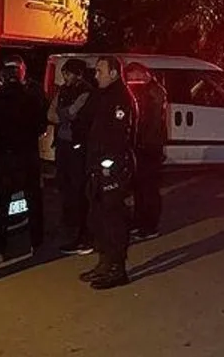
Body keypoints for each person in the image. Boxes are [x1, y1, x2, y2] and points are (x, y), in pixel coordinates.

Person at [0, 55, 49, 262]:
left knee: (2, 204)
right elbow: (42, 127)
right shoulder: (33, 98)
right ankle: (37, 244)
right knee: (34, 201)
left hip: (6, 156)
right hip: (28, 156)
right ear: (21, 73)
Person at [80, 56, 137, 290]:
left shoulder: (120, 98)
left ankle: (117, 269)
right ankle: (104, 263)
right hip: (97, 166)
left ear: (113, 73)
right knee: (99, 217)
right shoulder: (101, 95)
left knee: (114, 218)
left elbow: (119, 136)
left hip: (112, 168)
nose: (96, 75)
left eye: (100, 71)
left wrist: (108, 165)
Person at [52, 58, 96, 256]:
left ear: (78, 74)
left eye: (67, 73)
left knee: (79, 188)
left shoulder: (86, 91)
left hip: (77, 145)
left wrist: (63, 113)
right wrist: (63, 113)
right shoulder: (63, 90)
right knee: (65, 185)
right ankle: (70, 224)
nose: (65, 77)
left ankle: (83, 232)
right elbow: (51, 114)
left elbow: (70, 113)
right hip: (63, 143)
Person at [125, 62, 167, 241]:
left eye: (134, 77)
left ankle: (149, 226)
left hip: (150, 145)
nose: (131, 81)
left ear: (143, 74)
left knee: (148, 187)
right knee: (140, 186)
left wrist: (143, 140)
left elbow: (152, 120)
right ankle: (139, 220)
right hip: (141, 144)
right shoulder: (144, 91)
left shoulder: (154, 92)